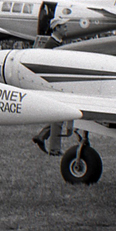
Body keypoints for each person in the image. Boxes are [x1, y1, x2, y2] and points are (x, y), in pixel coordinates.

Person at [32, 20, 70, 155]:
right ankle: (54, 149)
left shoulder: (57, 43)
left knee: (61, 116)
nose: (66, 28)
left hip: (59, 83)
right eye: (64, 26)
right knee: (60, 116)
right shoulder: (51, 45)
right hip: (55, 84)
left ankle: (42, 136)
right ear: (56, 28)